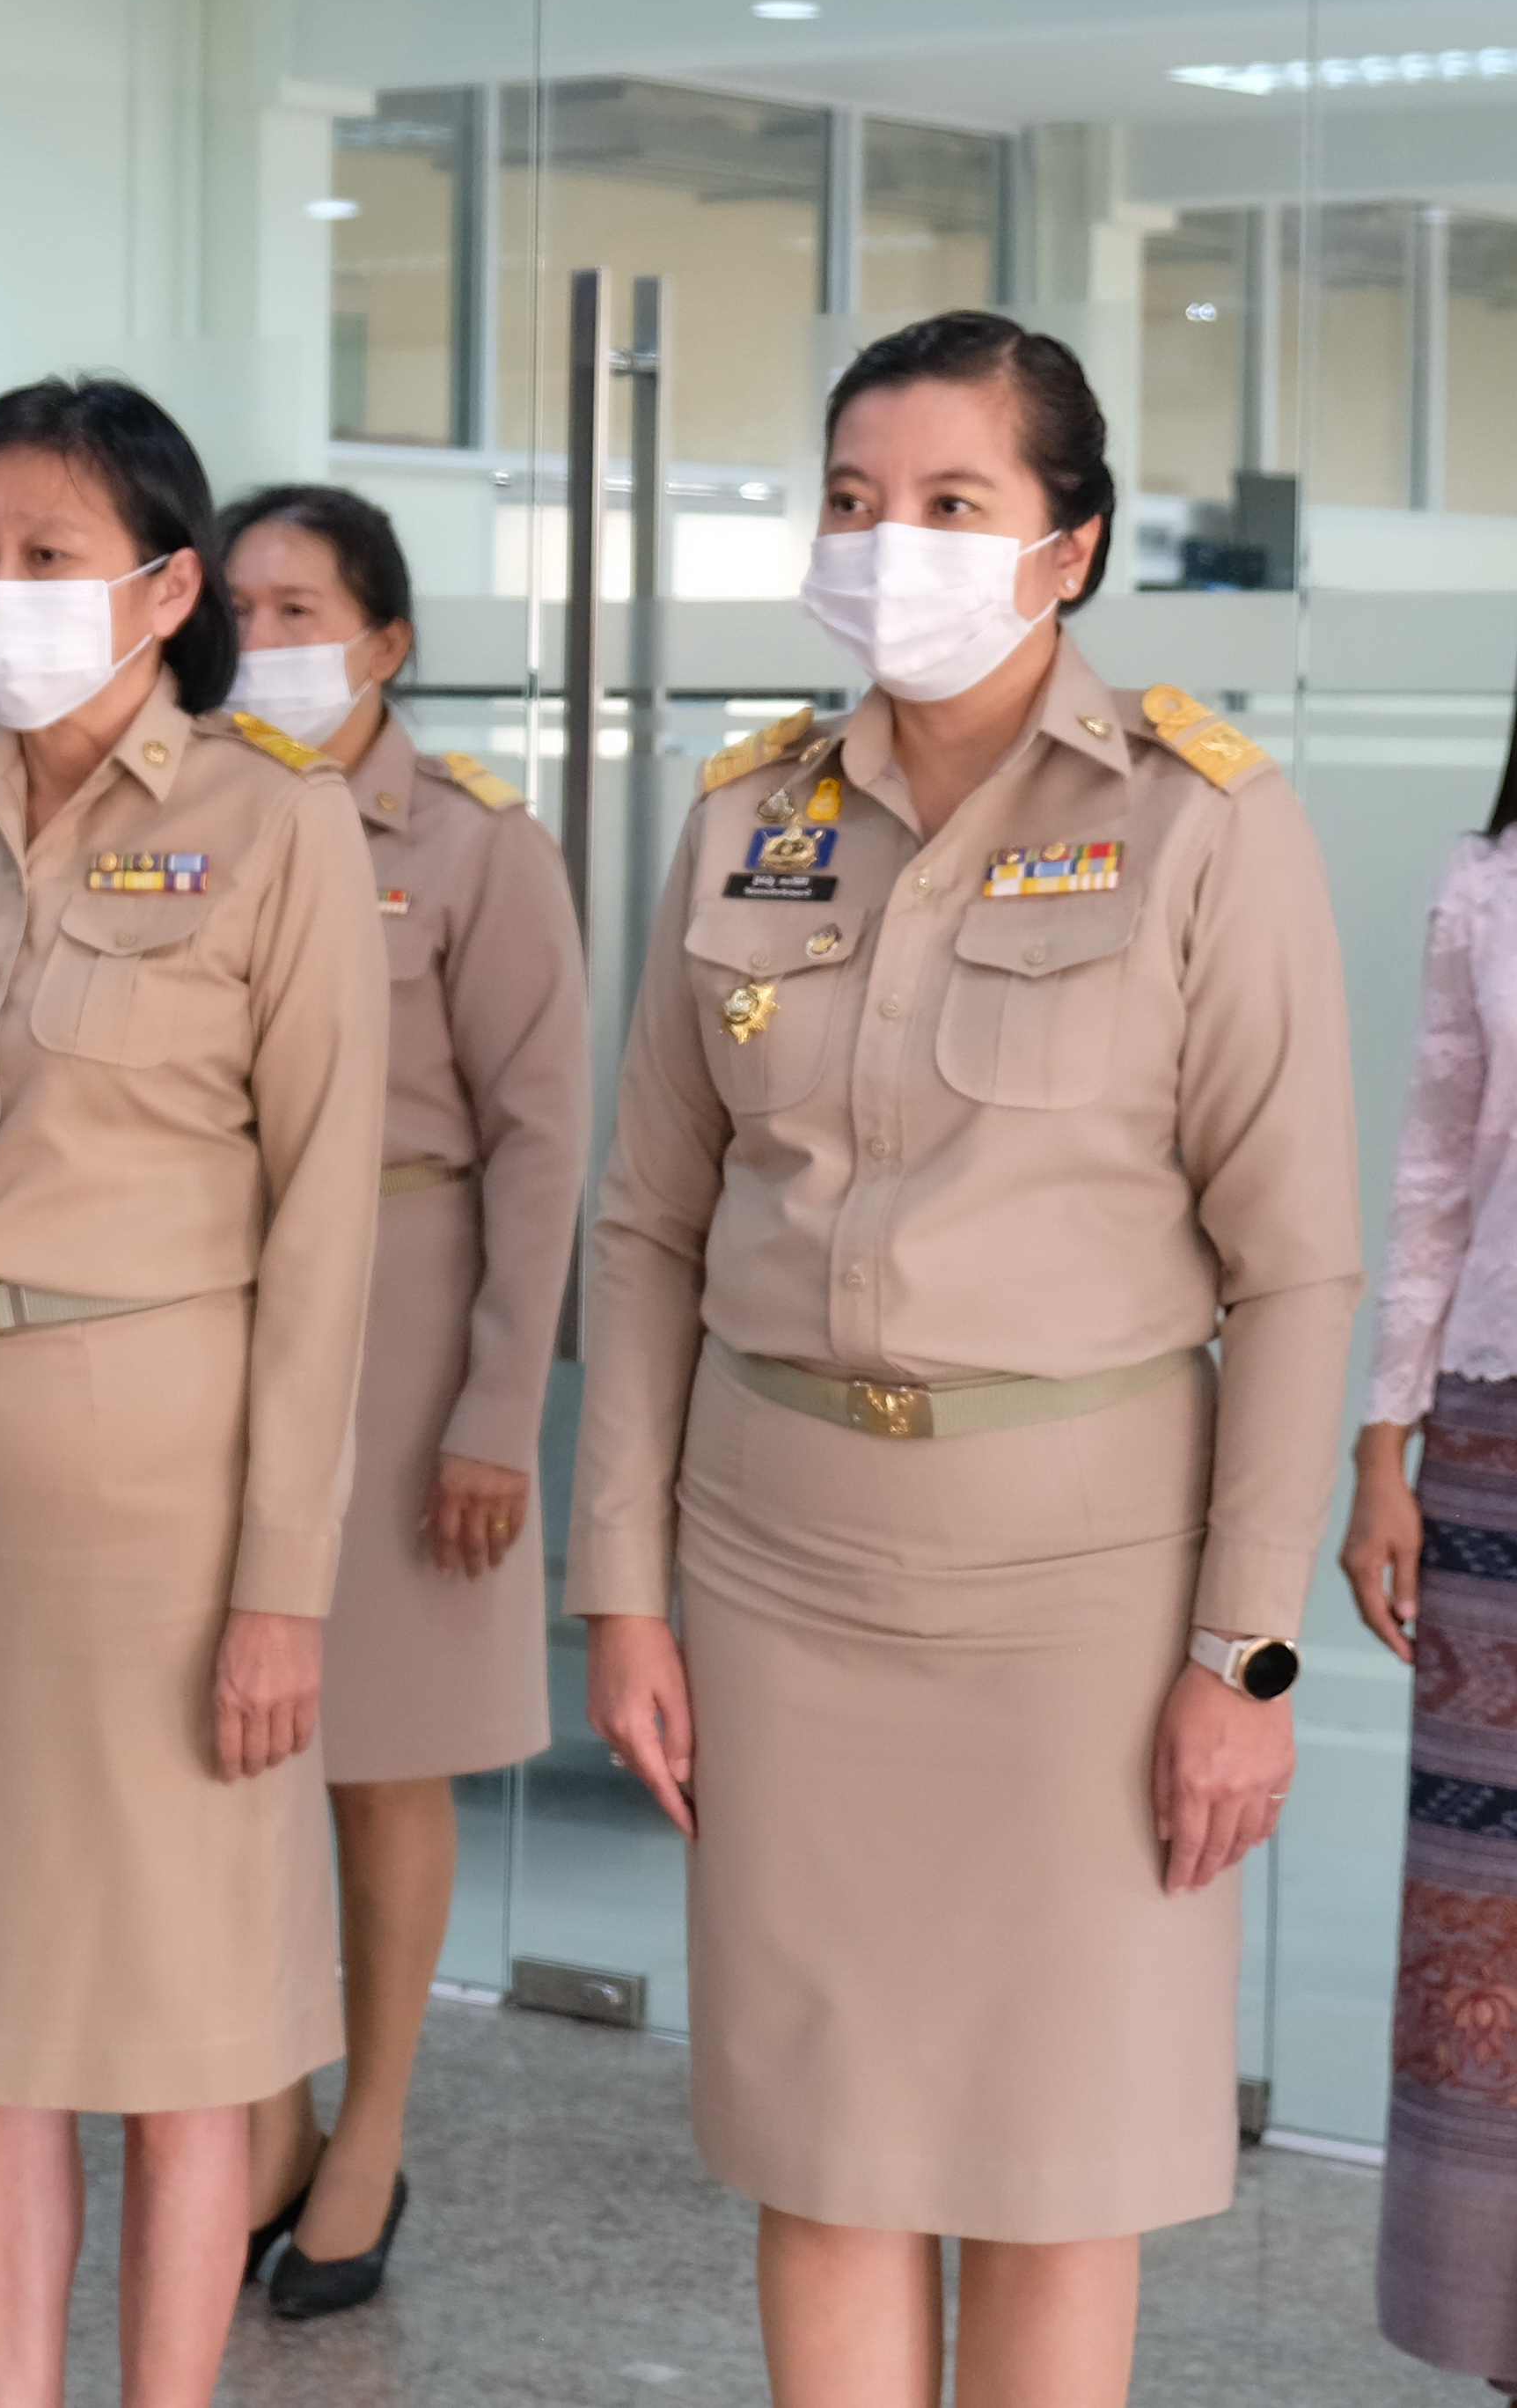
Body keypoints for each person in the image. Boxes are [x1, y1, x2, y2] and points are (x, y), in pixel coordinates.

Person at [572, 312, 1352, 2407]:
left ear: (1067, 544)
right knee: (821, 2156)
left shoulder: (1202, 820)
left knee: (1046, 2165)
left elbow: (1292, 1271)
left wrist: (1244, 1655)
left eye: (949, 504)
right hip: (775, 1563)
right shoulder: (745, 814)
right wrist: (620, 1586)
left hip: (1080, 1602)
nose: (885, 544)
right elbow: (645, 1218)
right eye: (850, 498)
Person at [0, 376, 381, 2406]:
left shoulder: (273, 824)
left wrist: (284, 1582)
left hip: (171, 1504)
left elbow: (322, 1240)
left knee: (192, 2023)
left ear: (165, 585)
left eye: (44, 557)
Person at [216, 483, 587, 2315]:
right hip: (224, 1322)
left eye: (298, 607)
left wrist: (497, 1410)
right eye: (237, 605)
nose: (262, 636)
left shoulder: (472, 847)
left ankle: (367, 2127)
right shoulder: (192, 815)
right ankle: (263, 2113)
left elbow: (540, 1148)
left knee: (382, 1759)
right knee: (244, 1753)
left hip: (411, 1321)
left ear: (386, 641)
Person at [1336, 700, 1517, 2392]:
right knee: (1496, 1915)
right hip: (1500, 1435)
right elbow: (1435, 1180)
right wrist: (1382, 1448)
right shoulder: (1490, 883)